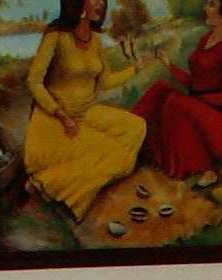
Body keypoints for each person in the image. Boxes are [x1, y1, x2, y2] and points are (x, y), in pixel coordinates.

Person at [23, 0, 146, 221]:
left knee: (137, 126)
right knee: (120, 157)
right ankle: (46, 184)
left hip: (87, 112)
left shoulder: (96, 39)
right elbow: (34, 82)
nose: (101, 4)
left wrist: (134, 69)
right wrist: (61, 115)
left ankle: (71, 180)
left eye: (103, 0)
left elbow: (105, 81)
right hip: (55, 118)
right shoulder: (56, 36)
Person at [133, 0, 222, 184]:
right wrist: (169, 65)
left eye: (211, 4)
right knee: (160, 89)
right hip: (205, 112)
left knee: (176, 102)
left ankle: (204, 170)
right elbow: (194, 83)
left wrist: (195, 101)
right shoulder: (205, 40)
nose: (205, 8)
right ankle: (131, 140)